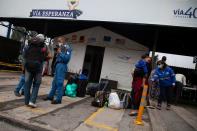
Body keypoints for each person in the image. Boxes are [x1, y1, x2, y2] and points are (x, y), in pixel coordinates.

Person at [44, 37, 72, 104]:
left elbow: (67, 59)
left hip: (62, 65)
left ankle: (59, 99)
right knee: (54, 83)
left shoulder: (68, 48)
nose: (58, 42)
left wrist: (60, 53)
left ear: (64, 41)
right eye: (58, 41)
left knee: (59, 82)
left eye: (60, 41)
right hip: (57, 65)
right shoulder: (60, 48)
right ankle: (51, 96)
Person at [23, 34, 47, 108]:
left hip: (28, 66)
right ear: (43, 40)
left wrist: (24, 66)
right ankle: (32, 101)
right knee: (36, 84)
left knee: (27, 84)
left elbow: (24, 55)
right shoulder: (44, 46)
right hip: (38, 68)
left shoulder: (29, 44)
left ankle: (26, 102)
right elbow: (45, 56)